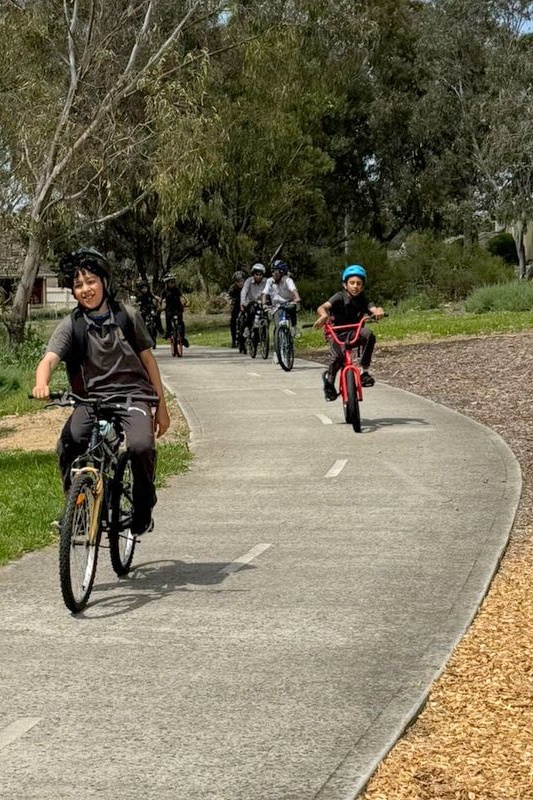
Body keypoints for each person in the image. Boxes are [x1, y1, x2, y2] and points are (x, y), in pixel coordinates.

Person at [32, 247, 170, 536]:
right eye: (78, 285)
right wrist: (41, 382)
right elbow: (49, 359)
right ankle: (79, 508)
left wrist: (162, 407)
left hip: (133, 396)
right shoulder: (72, 325)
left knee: (141, 447)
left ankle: (143, 506)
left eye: (91, 281)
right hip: (91, 400)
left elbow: (149, 361)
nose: (86, 289)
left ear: (105, 282)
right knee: (69, 442)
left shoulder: (127, 316)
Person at [314, 264, 385, 401]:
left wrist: (378, 311)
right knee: (337, 358)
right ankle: (329, 383)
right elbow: (323, 307)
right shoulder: (339, 297)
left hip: (354, 332)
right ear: (345, 284)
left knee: (368, 334)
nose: (355, 286)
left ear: (362, 286)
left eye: (359, 283)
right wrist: (323, 315)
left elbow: (374, 308)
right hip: (336, 334)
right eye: (352, 283)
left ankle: (364, 371)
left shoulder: (363, 299)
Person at [261, 259, 300, 337]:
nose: (274, 274)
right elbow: (264, 293)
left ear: (282, 272)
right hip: (276, 306)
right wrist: (264, 304)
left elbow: (293, 290)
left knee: (292, 309)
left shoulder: (288, 280)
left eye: (277, 272)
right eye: (273, 271)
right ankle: (278, 339)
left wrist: (297, 297)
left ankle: (294, 328)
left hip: (288, 303)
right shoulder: (269, 281)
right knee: (277, 324)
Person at [161, 274, 189, 346]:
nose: (173, 284)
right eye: (171, 282)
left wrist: (186, 301)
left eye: (174, 282)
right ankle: (168, 333)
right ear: (167, 283)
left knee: (181, 323)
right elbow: (162, 300)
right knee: (168, 320)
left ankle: (182, 338)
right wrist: (161, 306)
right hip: (169, 309)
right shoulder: (164, 291)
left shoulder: (177, 290)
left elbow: (182, 296)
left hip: (178, 307)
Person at [240, 263, 267, 332]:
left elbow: (271, 292)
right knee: (251, 312)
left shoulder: (266, 282)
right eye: (256, 274)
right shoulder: (249, 281)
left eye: (260, 275)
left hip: (262, 303)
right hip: (251, 303)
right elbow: (244, 292)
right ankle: (248, 328)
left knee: (266, 315)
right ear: (253, 274)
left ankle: (264, 333)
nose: (258, 276)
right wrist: (242, 302)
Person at [227, 270, 246, 348]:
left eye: (242, 281)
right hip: (236, 305)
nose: (240, 283)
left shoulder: (247, 287)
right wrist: (231, 301)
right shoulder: (232, 288)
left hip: (246, 305)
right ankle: (234, 340)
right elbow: (228, 297)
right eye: (238, 281)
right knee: (233, 321)